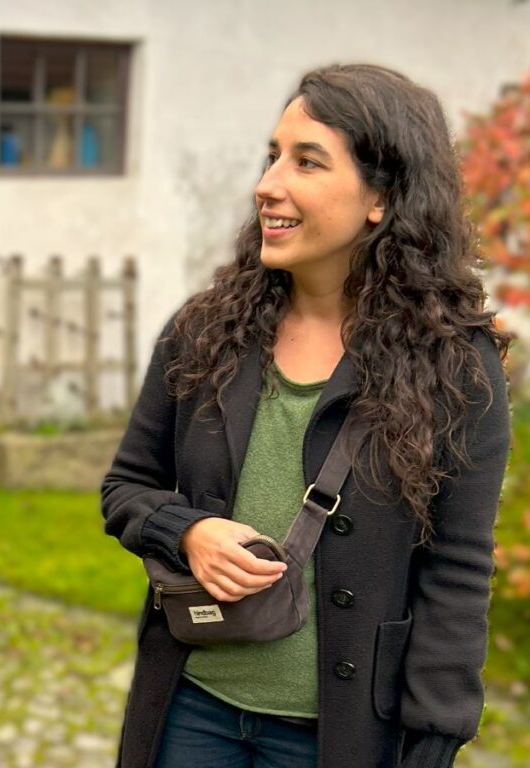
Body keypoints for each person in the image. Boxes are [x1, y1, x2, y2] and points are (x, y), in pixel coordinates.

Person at [102, 64, 509, 768]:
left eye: (307, 161)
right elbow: (126, 488)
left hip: (340, 736)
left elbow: (458, 569)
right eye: (272, 156)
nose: (268, 184)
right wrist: (188, 530)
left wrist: (434, 738)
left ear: (381, 195)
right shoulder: (204, 332)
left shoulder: (457, 366)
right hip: (190, 711)